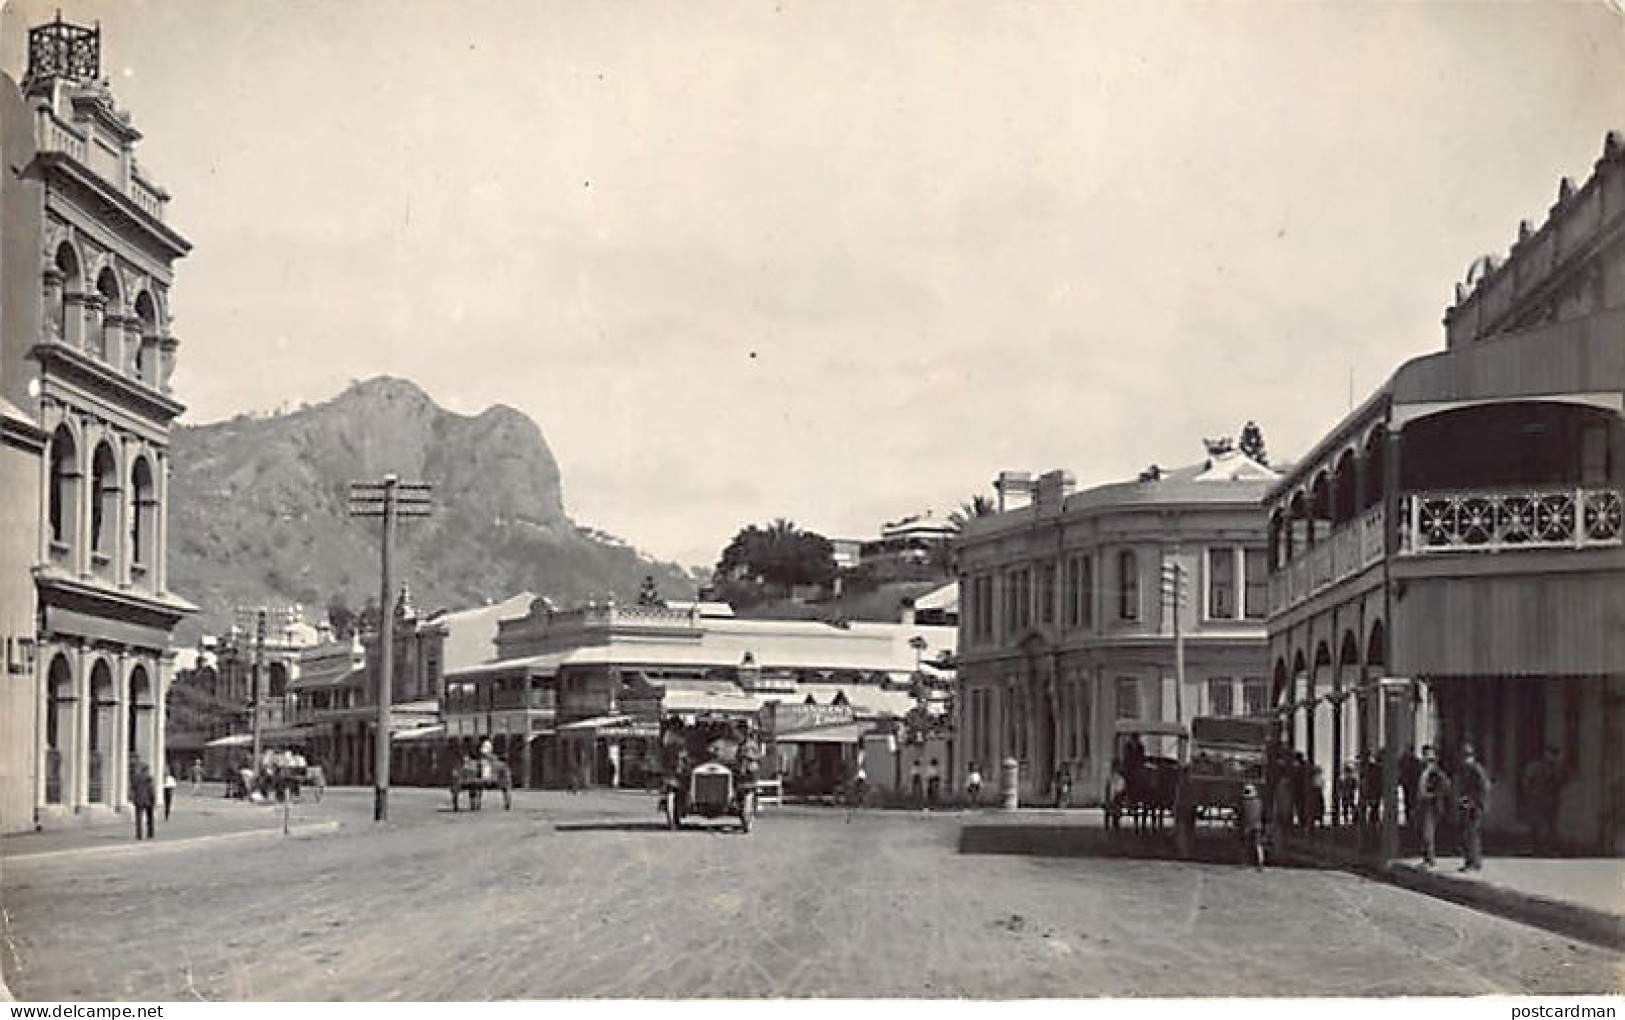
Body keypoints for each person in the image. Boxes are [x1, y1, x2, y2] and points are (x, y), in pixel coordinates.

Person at [1456, 742, 1491, 872]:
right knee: (1468, 834)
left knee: (1472, 834)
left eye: (1466, 756)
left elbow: (1484, 788)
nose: (1464, 759)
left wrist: (1477, 803)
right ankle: (1471, 861)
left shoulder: (1476, 770)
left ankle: (1473, 862)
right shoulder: (1466, 769)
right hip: (1468, 805)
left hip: (1475, 807)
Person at [1521, 746, 1563, 850]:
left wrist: (1554, 795)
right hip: (1536, 799)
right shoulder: (1535, 767)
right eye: (1551, 754)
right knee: (1535, 823)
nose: (1552, 758)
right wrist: (1531, 793)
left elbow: (1558, 783)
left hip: (1550, 800)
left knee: (1550, 824)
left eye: (1555, 755)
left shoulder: (1555, 769)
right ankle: (1533, 845)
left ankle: (1548, 845)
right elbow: (1526, 781)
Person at [1416, 745, 1451, 867]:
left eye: (1430, 758)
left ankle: (1430, 859)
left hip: (1432, 805)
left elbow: (1446, 786)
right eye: (1425, 756)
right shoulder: (1422, 771)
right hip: (1422, 804)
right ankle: (1426, 857)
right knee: (1423, 832)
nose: (1427, 759)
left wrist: (1433, 795)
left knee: (1428, 832)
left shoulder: (1437, 773)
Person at [1239, 783, 1265, 870]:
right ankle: (1260, 863)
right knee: (1258, 845)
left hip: (1248, 826)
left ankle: (1245, 863)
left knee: (1245, 845)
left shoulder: (1245, 802)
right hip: (1258, 825)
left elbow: (1243, 815)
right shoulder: (1259, 802)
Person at [131, 761, 157, 840]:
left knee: (138, 818)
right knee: (150, 817)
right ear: (147, 769)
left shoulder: (136, 777)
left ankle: (139, 834)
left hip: (139, 800)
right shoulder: (149, 777)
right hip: (148, 800)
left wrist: (134, 798)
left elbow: (133, 788)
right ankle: (150, 833)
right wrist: (154, 799)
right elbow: (151, 789)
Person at [1399, 745, 1423, 828]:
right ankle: (1410, 819)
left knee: (1411, 801)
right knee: (1409, 801)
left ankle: (1411, 819)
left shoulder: (1408, 761)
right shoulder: (1409, 761)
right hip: (1409, 784)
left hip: (1412, 784)